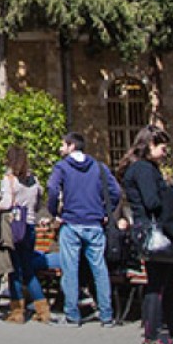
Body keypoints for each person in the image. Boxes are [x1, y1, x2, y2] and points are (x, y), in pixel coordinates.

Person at [119, 125, 173, 344]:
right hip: (152, 231)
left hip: (150, 230)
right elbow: (153, 201)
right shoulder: (144, 169)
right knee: (157, 284)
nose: (166, 152)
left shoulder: (143, 168)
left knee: (169, 282)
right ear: (150, 145)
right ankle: (152, 335)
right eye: (162, 147)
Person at [47, 131, 120, 328]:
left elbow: (53, 189)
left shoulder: (62, 167)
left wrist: (55, 212)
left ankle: (72, 315)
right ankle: (106, 315)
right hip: (94, 223)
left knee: (70, 270)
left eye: (63, 145)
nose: (60, 148)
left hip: (71, 223)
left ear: (71, 146)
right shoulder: (99, 167)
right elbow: (115, 192)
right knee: (99, 269)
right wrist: (106, 211)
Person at [0, 146, 48, 324]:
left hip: (15, 228)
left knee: (14, 270)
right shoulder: (33, 180)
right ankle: (43, 309)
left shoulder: (10, 180)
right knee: (28, 270)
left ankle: (17, 311)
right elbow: (38, 202)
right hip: (30, 227)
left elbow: (6, 203)